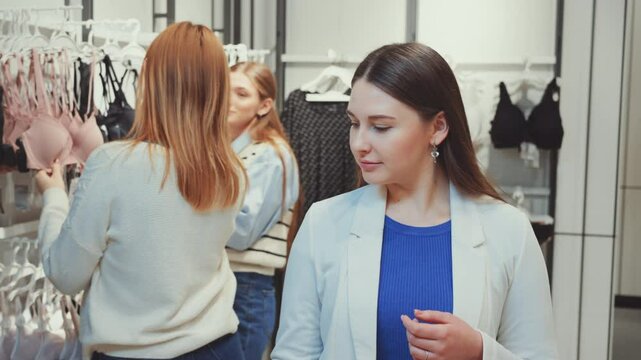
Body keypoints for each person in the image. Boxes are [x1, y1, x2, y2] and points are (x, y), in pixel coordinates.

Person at [271, 43, 558, 360]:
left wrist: (480, 351)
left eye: (380, 127)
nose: (358, 143)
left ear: (437, 127)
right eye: (354, 123)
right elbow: (294, 354)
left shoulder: (508, 230)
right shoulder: (323, 223)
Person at [35, 22, 247, 359]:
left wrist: (54, 196)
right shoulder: (229, 170)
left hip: (135, 352)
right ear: (218, 89)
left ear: (150, 82)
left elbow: (65, 273)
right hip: (219, 347)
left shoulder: (114, 164)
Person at [225, 61, 300, 360]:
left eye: (241, 94)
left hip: (247, 289)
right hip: (223, 283)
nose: (229, 100)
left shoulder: (269, 154)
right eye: (226, 90)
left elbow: (242, 231)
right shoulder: (229, 151)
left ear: (264, 105)